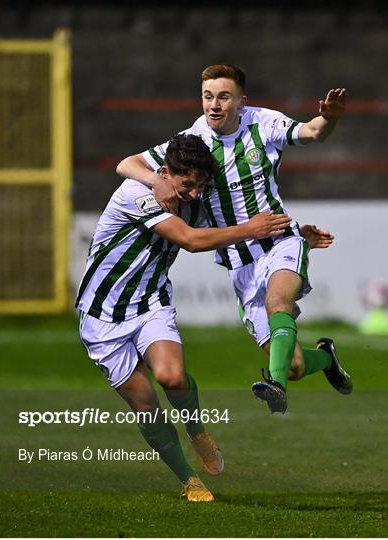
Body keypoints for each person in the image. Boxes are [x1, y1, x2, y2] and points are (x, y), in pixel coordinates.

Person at [116, 63, 353, 415]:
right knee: (295, 366)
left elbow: (313, 131)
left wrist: (330, 119)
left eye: (223, 97)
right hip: (240, 264)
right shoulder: (195, 140)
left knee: (278, 302)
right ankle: (325, 359)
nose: (214, 104)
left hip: (279, 240)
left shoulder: (264, 123)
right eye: (208, 97)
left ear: (242, 101)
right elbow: (127, 164)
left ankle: (275, 388)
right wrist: (157, 181)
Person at [76, 134, 293, 502]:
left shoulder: (193, 201)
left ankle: (197, 432)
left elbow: (233, 220)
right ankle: (188, 479)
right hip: (101, 316)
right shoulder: (137, 194)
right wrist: (250, 229)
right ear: (164, 172)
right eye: (186, 184)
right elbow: (191, 240)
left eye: (199, 185)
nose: (193, 193)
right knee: (145, 403)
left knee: (171, 375)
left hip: (151, 304)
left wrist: (297, 235)